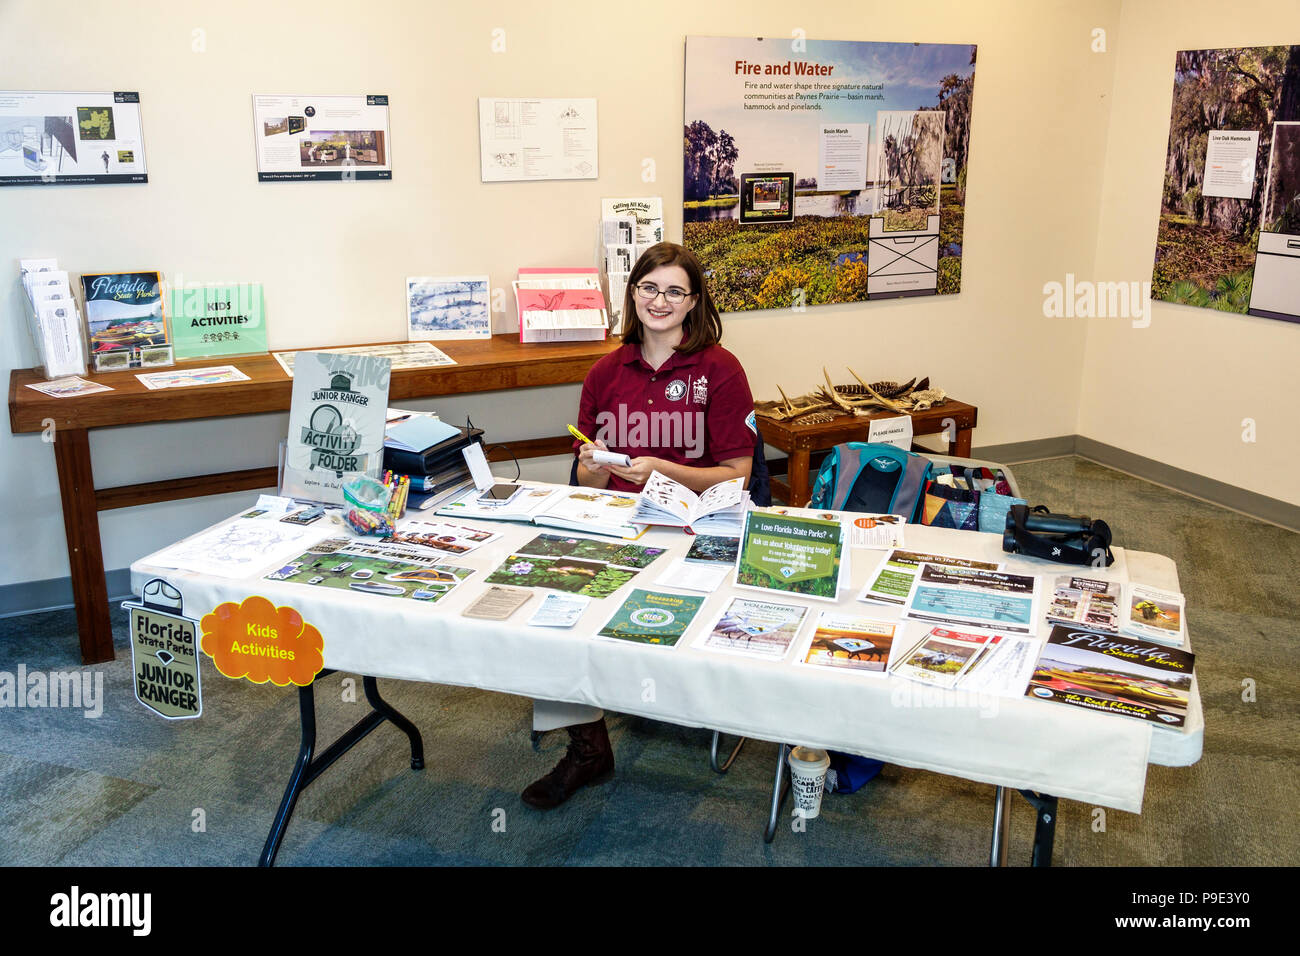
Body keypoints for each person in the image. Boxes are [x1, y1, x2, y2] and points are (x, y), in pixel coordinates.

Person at [521, 241, 756, 810]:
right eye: (649, 288)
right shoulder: (606, 371)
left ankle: (674, 699)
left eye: (675, 290)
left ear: (694, 301)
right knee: (549, 604)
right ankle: (588, 745)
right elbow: (589, 486)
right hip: (622, 522)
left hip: (695, 525)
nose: (659, 300)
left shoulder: (719, 369)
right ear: (633, 293)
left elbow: (739, 475)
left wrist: (659, 470)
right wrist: (589, 468)